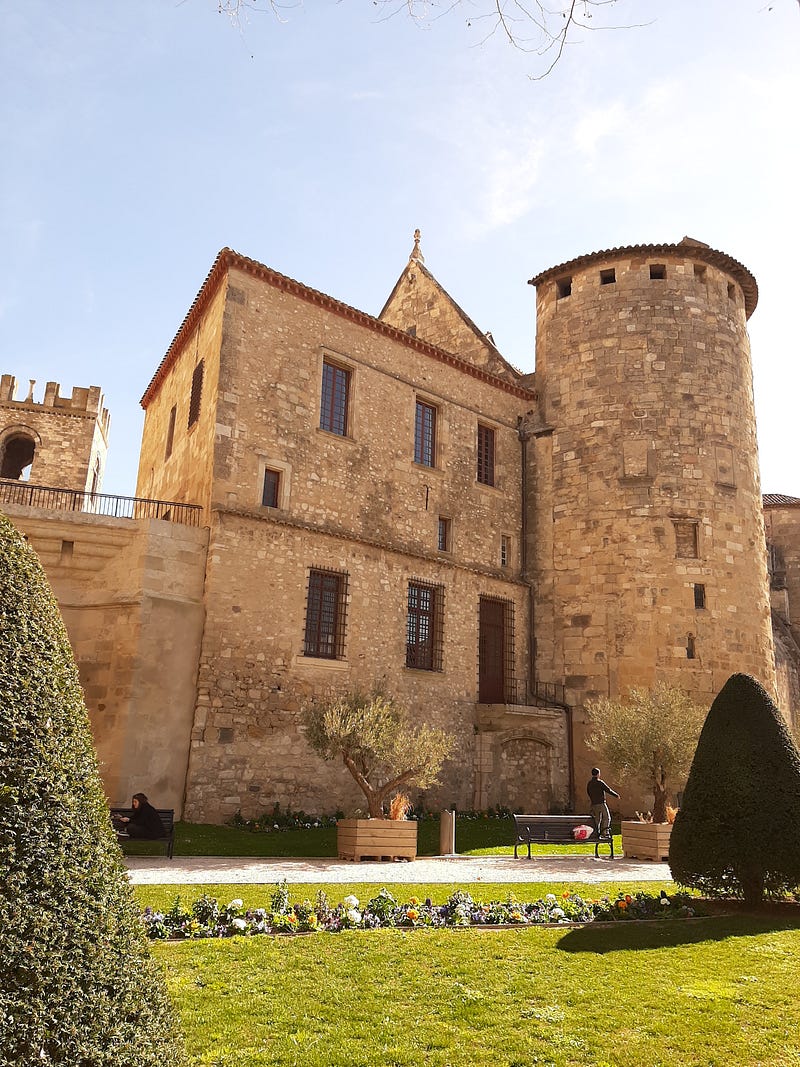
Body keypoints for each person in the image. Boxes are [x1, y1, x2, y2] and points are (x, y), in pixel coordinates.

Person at [587, 767, 620, 840]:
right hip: (601, 803)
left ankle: (596, 833)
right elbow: (608, 790)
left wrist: (592, 799)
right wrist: (616, 795)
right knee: (607, 817)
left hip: (594, 804)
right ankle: (605, 832)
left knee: (597, 819)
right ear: (598, 774)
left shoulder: (590, 783)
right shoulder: (600, 782)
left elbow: (588, 792)